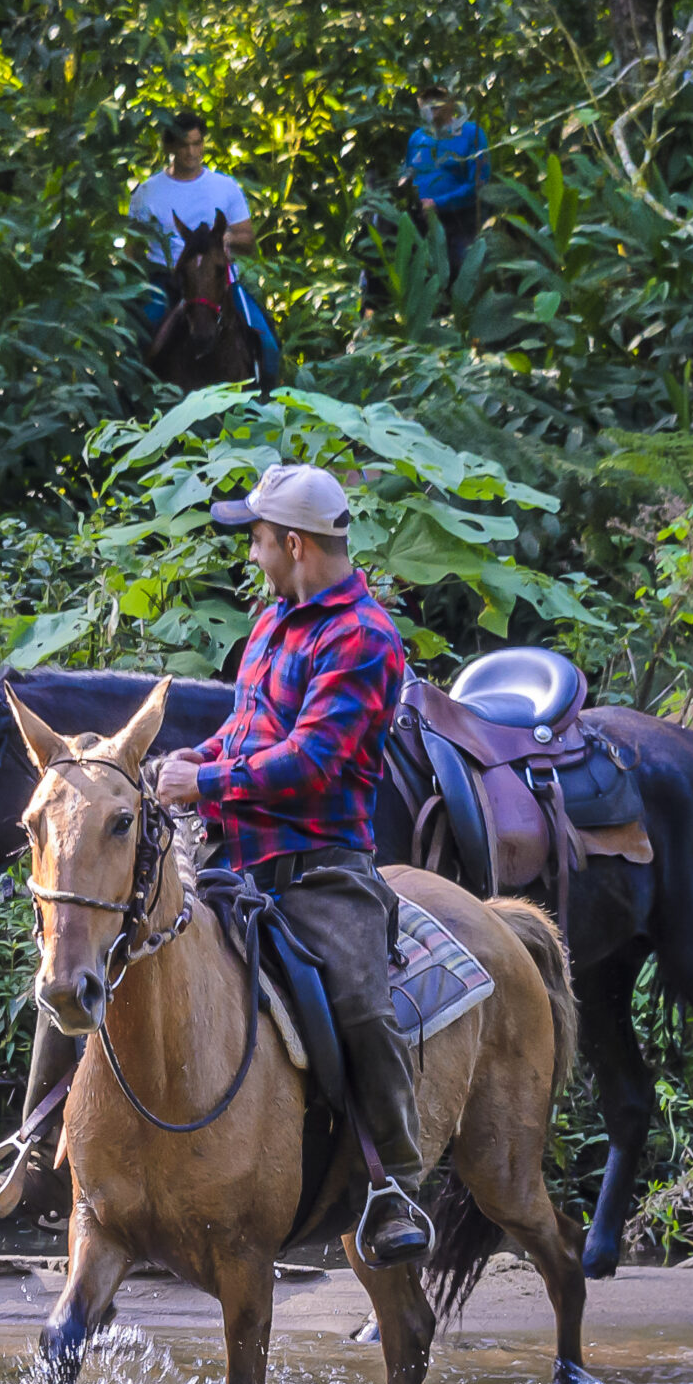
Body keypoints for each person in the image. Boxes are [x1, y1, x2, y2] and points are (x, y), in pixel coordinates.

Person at [151, 464, 424, 1266]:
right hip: (229, 859)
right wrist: (189, 758)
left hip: (319, 871)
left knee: (362, 1008)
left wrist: (205, 783)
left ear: (296, 544)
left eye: (260, 540)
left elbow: (312, 760)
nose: (253, 554)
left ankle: (393, 1184)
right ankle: (42, 1141)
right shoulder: (273, 622)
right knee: (113, 940)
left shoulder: (365, 639)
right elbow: (246, 728)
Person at [129, 109, 281, 381]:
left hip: (218, 278)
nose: (191, 152)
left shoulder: (225, 187)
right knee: (136, 340)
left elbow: (247, 239)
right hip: (166, 280)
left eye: (197, 144)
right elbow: (133, 249)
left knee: (267, 341)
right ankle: (131, 396)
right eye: (184, 145)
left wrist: (226, 240)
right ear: (169, 147)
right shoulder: (147, 192)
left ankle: (267, 394)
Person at [404, 84, 490, 277]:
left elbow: (479, 184)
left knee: (464, 276)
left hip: (461, 222)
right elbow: (409, 174)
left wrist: (438, 203)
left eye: (438, 97)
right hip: (422, 222)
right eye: (427, 98)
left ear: (451, 102)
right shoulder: (417, 138)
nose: (432, 103)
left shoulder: (471, 133)